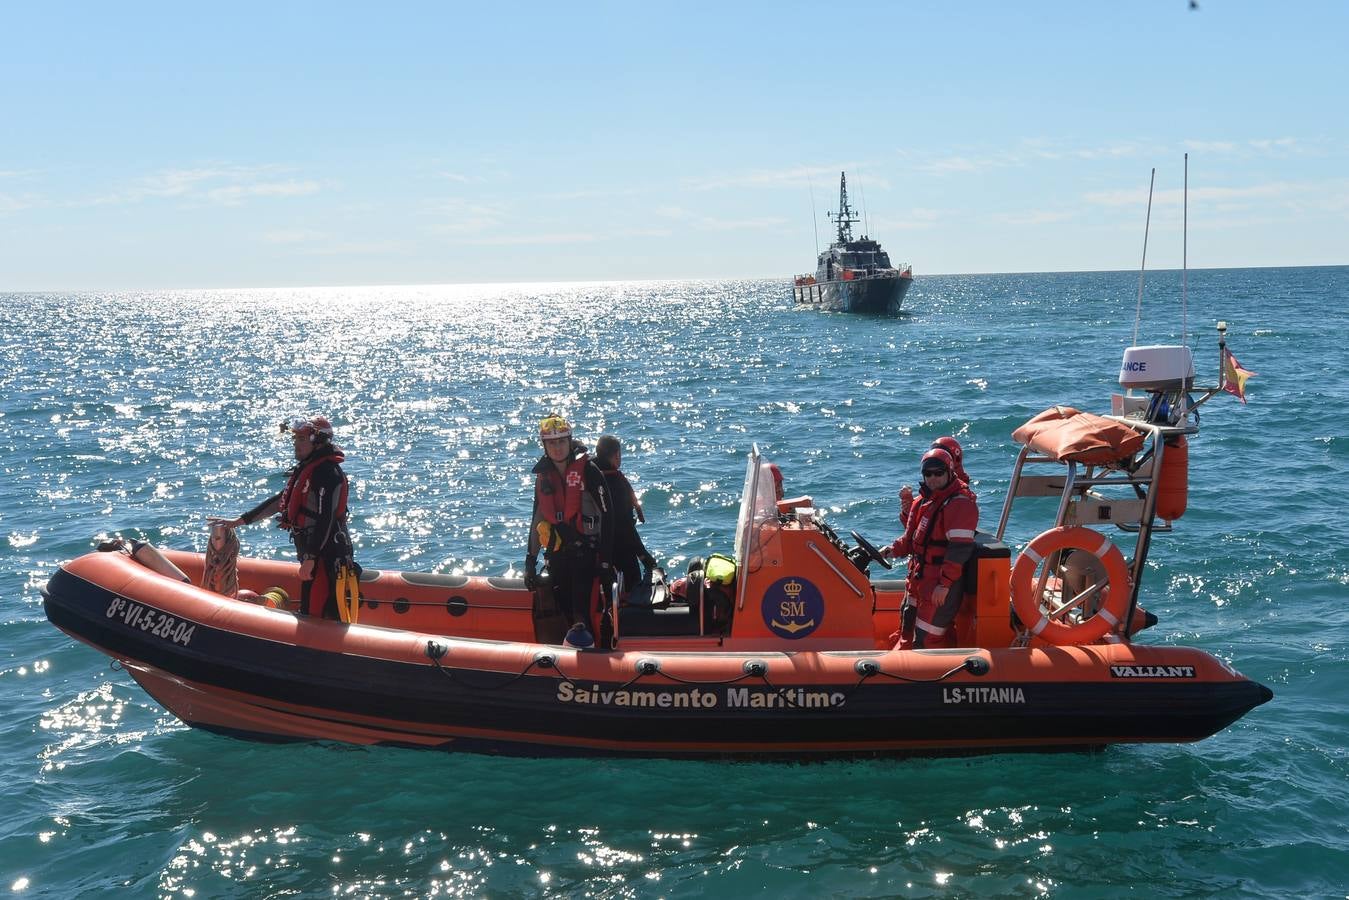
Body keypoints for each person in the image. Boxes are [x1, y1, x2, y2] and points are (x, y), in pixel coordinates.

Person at [213, 415, 356, 620]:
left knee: (317, 612)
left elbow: (327, 519)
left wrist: (311, 558)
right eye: (294, 439)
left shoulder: (328, 474)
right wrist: (240, 520)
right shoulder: (308, 469)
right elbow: (280, 501)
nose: (296, 445)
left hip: (326, 556)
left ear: (317, 442)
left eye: (301, 439)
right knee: (310, 607)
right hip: (311, 553)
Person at [523, 415, 615, 649]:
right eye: (551, 443)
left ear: (570, 441)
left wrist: (605, 563)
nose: (557, 448)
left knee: (581, 612)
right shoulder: (544, 477)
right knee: (563, 609)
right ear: (544, 445)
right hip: (557, 555)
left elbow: (609, 517)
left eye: (561, 442)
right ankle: (568, 659)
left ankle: (591, 664)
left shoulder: (590, 472)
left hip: (588, 555)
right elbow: (537, 519)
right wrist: (530, 561)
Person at [882, 447, 979, 649]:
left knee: (927, 638)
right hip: (919, 578)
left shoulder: (959, 503)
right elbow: (914, 538)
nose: (933, 478)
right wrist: (892, 550)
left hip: (939, 583)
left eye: (938, 473)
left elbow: (959, 550)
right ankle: (901, 663)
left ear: (949, 472)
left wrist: (944, 585)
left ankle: (926, 674)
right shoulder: (926, 500)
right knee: (907, 625)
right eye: (928, 474)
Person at [594, 434, 656, 599]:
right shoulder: (614, 483)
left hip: (595, 551)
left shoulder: (589, 478)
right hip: (619, 550)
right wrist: (644, 556)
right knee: (632, 591)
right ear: (616, 455)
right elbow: (625, 525)